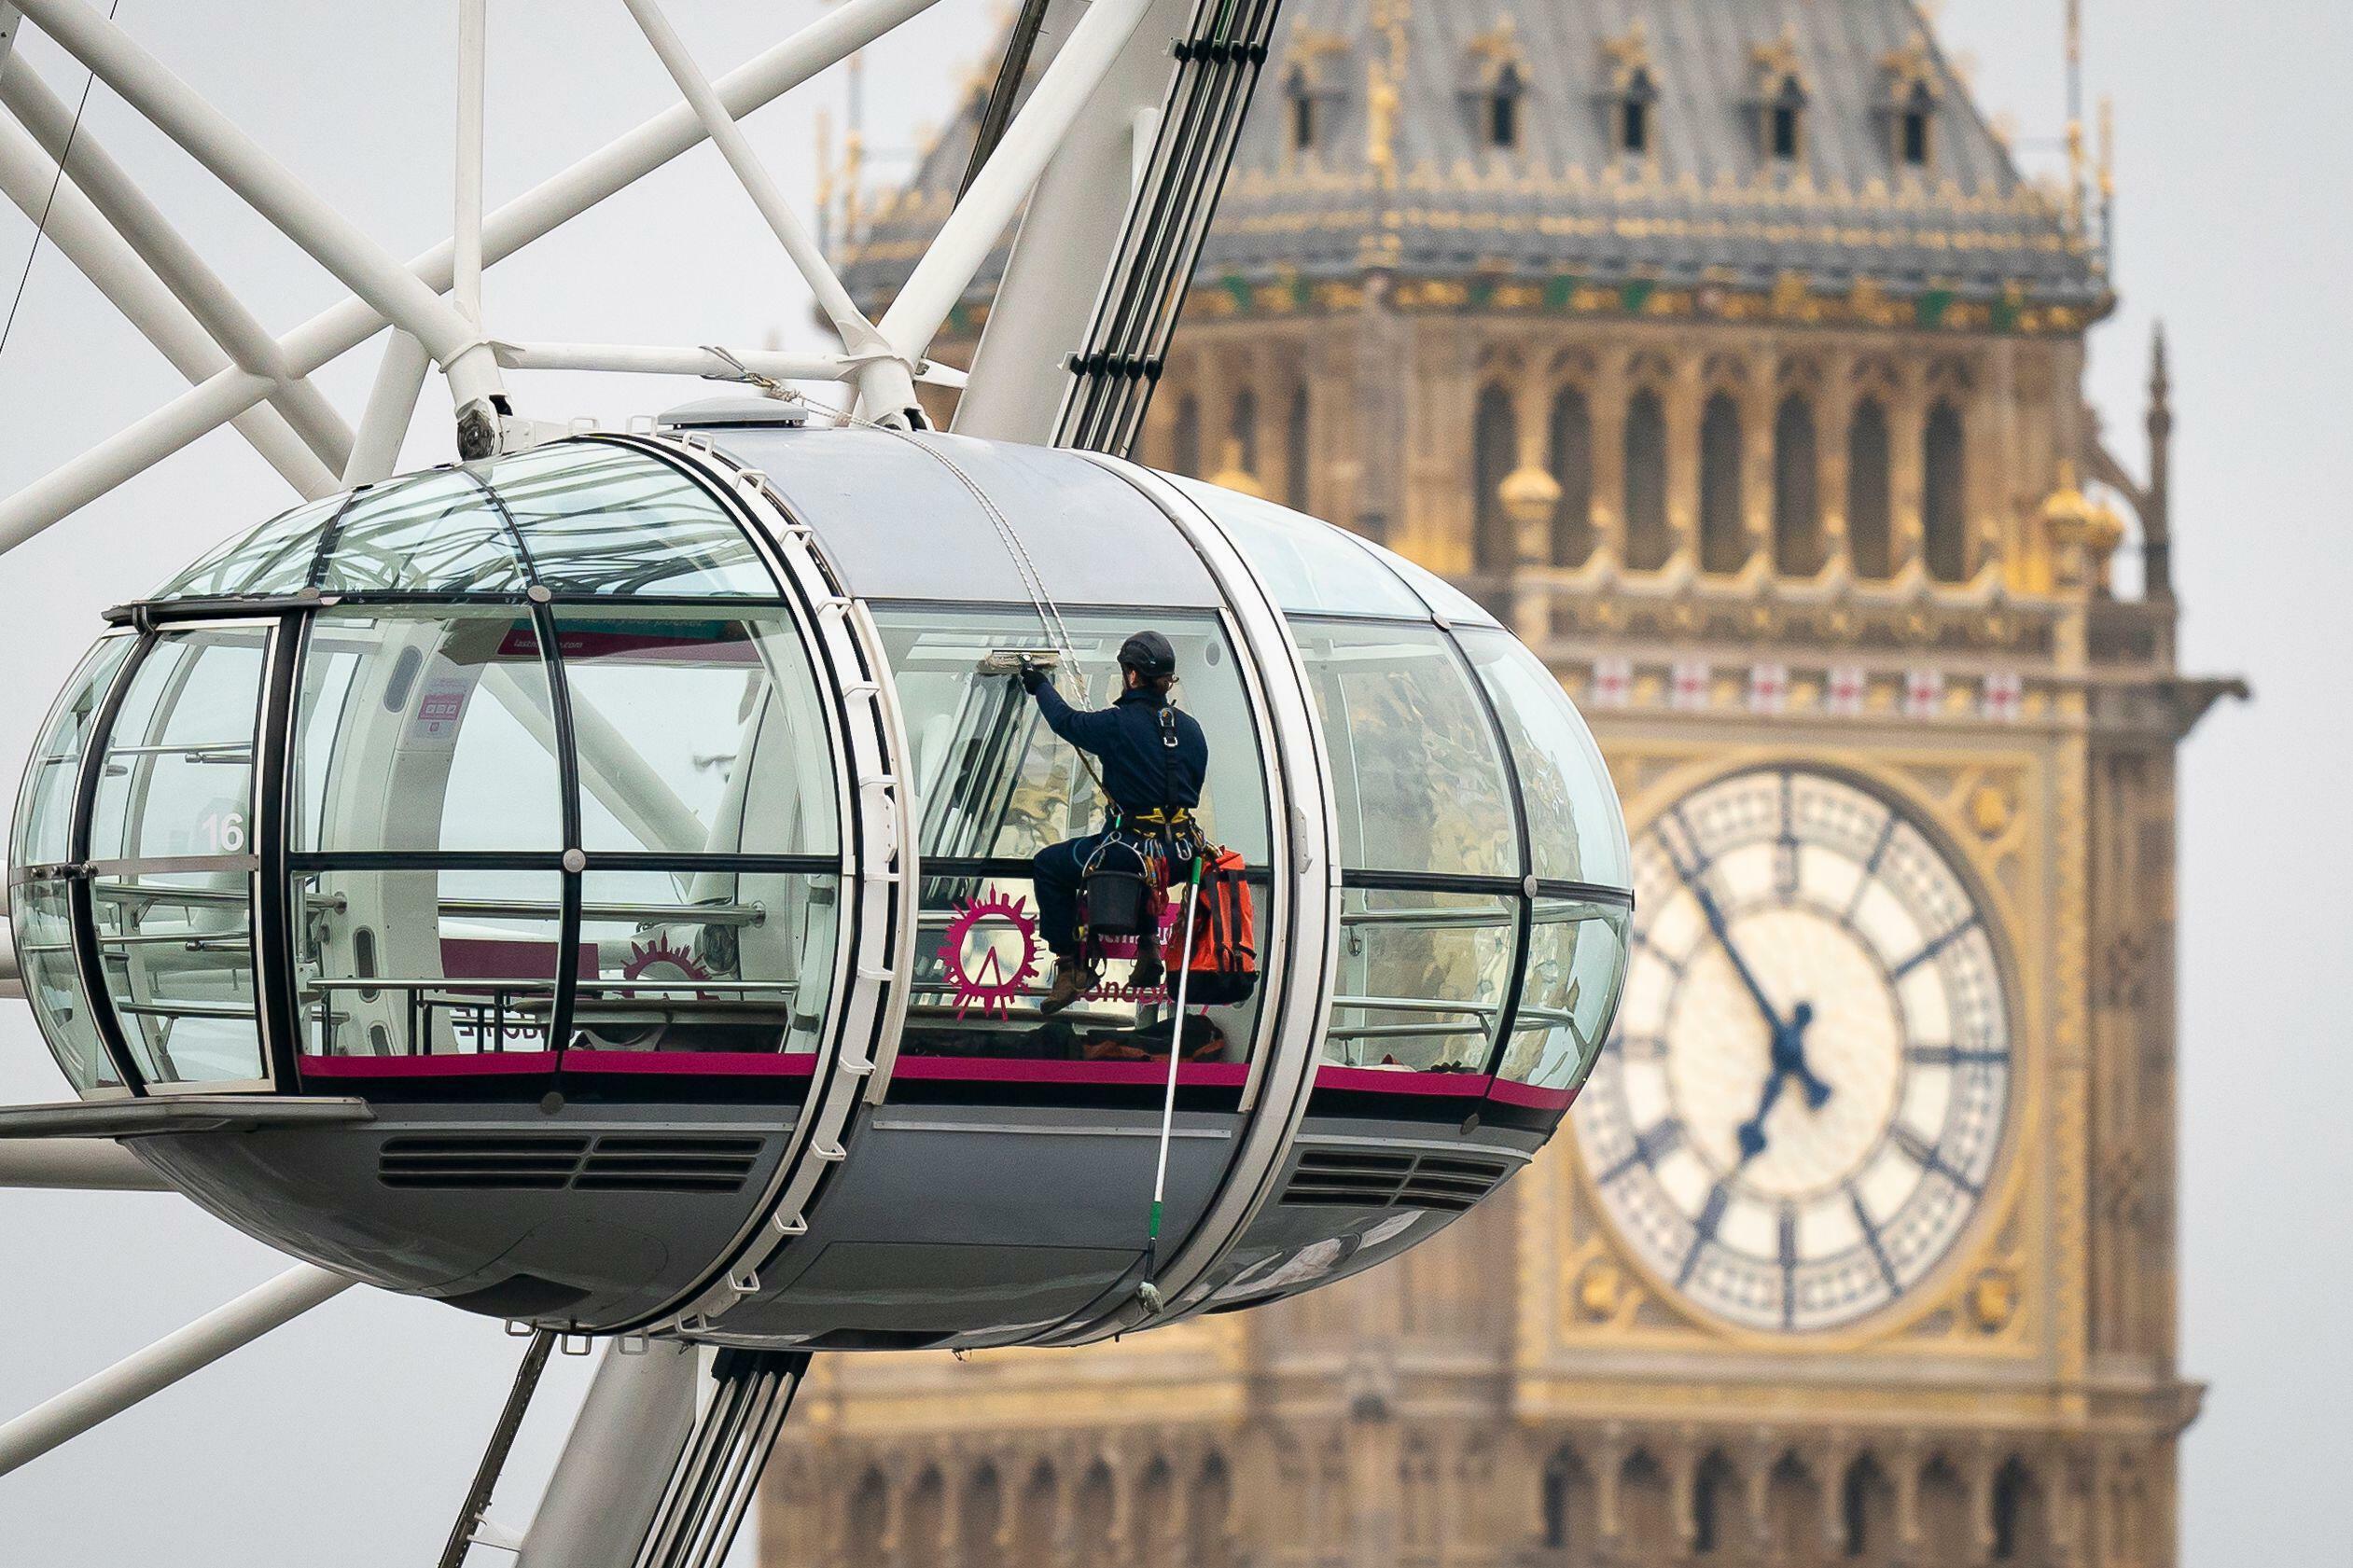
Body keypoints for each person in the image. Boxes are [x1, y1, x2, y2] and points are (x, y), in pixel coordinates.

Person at [1022, 631, 1209, 1013]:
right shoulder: (1192, 729)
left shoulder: (1119, 724)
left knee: (1051, 865)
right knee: (1128, 855)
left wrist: (1039, 684)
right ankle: (1148, 947)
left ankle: (1072, 966)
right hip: (1184, 852)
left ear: (1133, 675)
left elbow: (1065, 721)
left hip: (1134, 851)